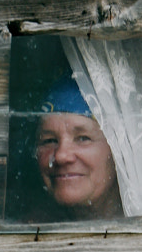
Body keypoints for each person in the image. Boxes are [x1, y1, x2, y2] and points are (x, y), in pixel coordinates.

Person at [34, 73, 123, 220]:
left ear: (118, 150)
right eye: (49, 140)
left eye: (83, 138)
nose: (61, 156)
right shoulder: (25, 229)